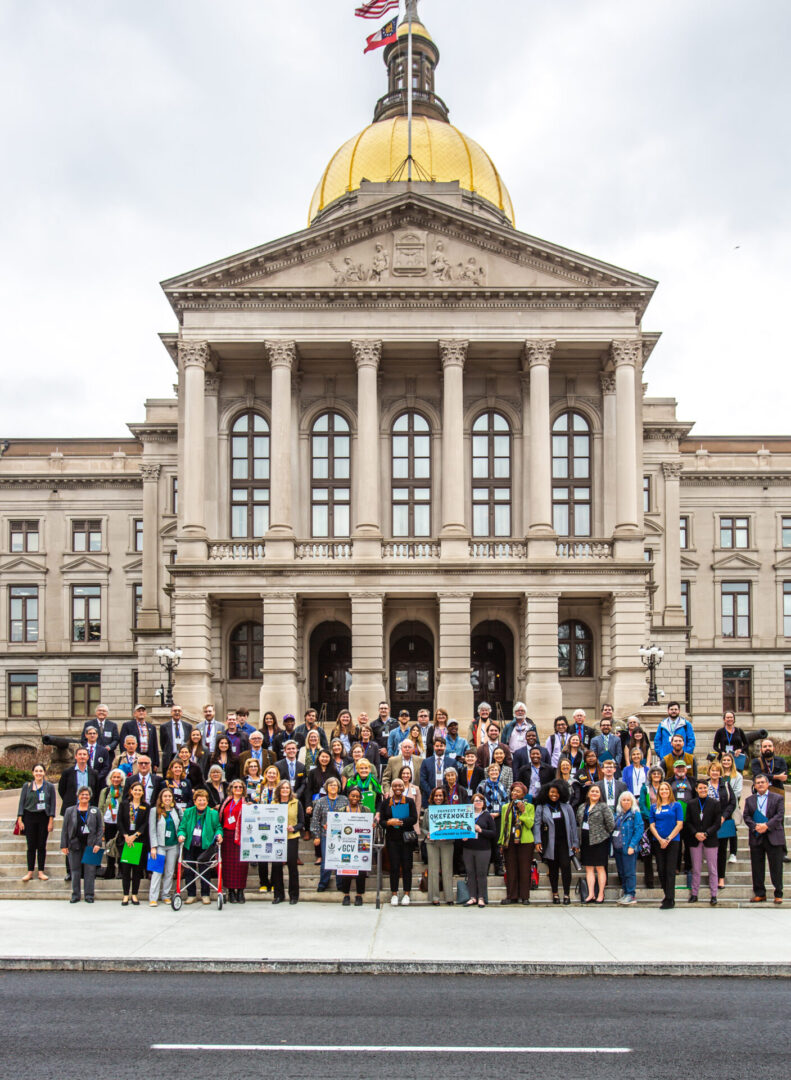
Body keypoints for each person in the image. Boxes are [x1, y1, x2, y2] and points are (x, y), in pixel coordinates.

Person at [534, 781, 578, 905]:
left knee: (566, 867)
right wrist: (537, 841)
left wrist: (575, 842)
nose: (555, 795)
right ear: (547, 793)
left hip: (565, 843)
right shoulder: (541, 807)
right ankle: (555, 894)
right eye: (552, 792)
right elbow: (537, 825)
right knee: (553, 869)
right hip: (550, 843)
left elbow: (573, 825)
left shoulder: (566, 806)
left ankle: (566, 894)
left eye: (557, 793)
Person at [177, 789, 223, 904]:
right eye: (199, 800)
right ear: (195, 801)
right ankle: (191, 894)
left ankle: (205, 894)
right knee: (189, 870)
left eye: (204, 800)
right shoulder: (188, 812)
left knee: (205, 870)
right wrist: (181, 835)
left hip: (205, 845)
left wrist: (219, 834)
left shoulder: (213, 813)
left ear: (207, 801)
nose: (202, 802)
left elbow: (218, 827)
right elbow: (182, 827)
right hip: (190, 845)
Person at [744, 773, 785, 904]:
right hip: (756, 836)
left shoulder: (778, 798)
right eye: (758, 783)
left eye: (763, 782)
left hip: (773, 836)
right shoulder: (749, 800)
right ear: (755, 786)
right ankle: (760, 893)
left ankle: (778, 893)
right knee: (757, 867)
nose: (760, 784)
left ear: (768, 784)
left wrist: (767, 826)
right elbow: (746, 816)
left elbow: (780, 815)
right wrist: (756, 826)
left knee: (776, 867)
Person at [377, 777, 417, 906]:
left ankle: (406, 893)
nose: (398, 788)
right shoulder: (386, 802)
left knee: (407, 867)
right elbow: (382, 821)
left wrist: (400, 821)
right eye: (395, 786)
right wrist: (389, 822)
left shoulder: (409, 801)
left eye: (400, 786)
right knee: (394, 867)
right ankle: (394, 894)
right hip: (392, 839)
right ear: (392, 788)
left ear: (404, 787)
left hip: (406, 839)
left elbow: (414, 819)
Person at [60, 786, 103, 904]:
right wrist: (64, 845)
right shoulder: (70, 810)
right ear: (78, 796)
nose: (84, 796)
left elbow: (100, 828)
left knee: (90, 871)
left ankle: (89, 895)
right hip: (74, 844)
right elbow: (64, 829)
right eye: (82, 794)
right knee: (75, 870)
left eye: (87, 794)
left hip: (91, 845)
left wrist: (98, 843)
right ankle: (75, 895)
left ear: (90, 797)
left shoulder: (95, 810)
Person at [16, 763, 56, 881]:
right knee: (31, 845)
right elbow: (21, 803)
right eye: (36, 771)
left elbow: (52, 804)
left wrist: (51, 820)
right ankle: (30, 872)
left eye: (41, 771)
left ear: (44, 773)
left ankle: (41, 872)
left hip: (43, 817)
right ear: (33, 773)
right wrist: (20, 819)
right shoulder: (27, 786)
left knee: (41, 845)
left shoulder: (49, 786)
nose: (39, 773)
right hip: (29, 817)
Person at [498, 782, 535, 905]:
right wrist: (501, 842)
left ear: (523, 794)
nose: (514, 793)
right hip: (510, 841)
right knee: (511, 869)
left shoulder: (529, 807)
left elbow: (530, 824)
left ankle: (525, 896)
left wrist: (523, 811)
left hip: (525, 841)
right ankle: (511, 895)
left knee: (524, 869)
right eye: (513, 791)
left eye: (518, 791)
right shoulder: (505, 807)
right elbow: (503, 825)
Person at [310, 776, 349, 891]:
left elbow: (348, 817)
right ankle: (323, 883)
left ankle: (340, 884)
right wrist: (316, 836)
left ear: (338, 787)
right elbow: (315, 819)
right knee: (326, 860)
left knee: (340, 860)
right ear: (326, 787)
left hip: (341, 835)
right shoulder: (320, 801)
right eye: (330, 785)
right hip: (325, 835)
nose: (333, 787)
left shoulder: (344, 800)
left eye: (335, 785)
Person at [686, 777, 721, 906]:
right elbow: (688, 822)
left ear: (708, 789)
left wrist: (706, 833)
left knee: (712, 868)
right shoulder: (691, 803)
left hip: (710, 839)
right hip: (695, 839)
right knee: (696, 868)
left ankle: (714, 894)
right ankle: (694, 893)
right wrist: (696, 833)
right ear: (696, 789)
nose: (702, 790)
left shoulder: (715, 803)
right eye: (700, 788)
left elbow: (717, 823)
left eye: (705, 788)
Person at [577, 785, 614, 904]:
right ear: (588, 794)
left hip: (600, 841)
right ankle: (591, 893)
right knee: (589, 868)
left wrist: (602, 833)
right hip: (586, 840)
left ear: (600, 794)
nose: (594, 793)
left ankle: (601, 893)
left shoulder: (604, 807)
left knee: (600, 867)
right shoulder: (582, 807)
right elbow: (579, 821)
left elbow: (611, 824)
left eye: (597, 791)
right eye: (592, 791)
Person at [650, 781, 684, 908]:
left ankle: (670, 898)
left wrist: (668, 839)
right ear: (659, 792)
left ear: (670, 791)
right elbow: (652, 825)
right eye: (662, 789)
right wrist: (660, 839)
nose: (664, 791)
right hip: (658, 841)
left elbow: (679, 824)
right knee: (660, 869)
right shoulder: (654, 807)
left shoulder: (676, 805)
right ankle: (666, 894)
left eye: (666, 789)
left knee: (670, 870)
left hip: (673, 841)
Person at [336, 787, 372, 906]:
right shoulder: (341, 810)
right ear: (348, 796)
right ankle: (346, 895)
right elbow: (336, 825)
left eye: (357, 796)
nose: (355, 798)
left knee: (360, 870)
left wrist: (372, 825)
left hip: (362, 842)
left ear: (360, 797)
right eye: (353, 795)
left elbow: (370, 824)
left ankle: (359, 895)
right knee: (346, 870)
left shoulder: (365, 810)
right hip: (346, 843)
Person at [271, 779, 304, 904]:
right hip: (276, 838)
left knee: (292, 866)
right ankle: (278, 895)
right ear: (279, 790)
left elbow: (301, 822)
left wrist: (294, 828)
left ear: (290, 790)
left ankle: (294, 895)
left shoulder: (296, 803)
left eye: (287, 788)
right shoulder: (273, 804)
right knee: (276, 866)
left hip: (291, 837)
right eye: (283, 788)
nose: (285, 790)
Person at [117, 781, 149, 906]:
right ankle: (125, 895)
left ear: (143, 792)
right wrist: (126, 836)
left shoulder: (145, 806)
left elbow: (145, 824)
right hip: (126, 841)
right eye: (135, 790)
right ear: (131, 791)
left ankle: (134, 894)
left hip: (138, 841)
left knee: (137, 870)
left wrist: (135, 836)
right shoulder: (124, 805)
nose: (137, 792)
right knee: (125, 870)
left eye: (140, 790)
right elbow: (119, 821)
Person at [148, 788, 181, 906]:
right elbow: (152, 829)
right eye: (165, 796)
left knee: (169, 871)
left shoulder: (176, 810)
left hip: (173, 845)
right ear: (161, 798)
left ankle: (166, 895)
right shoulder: (154, 811)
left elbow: (181, 826)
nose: (167, 798)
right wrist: (153, 846)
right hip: (160, 846)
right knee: (157, 872)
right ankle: (153, 897)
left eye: (169, 796)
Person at [462, 792, 496, 907]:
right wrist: (463, 837)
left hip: (483, 849)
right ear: (472, 803)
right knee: (470, 873)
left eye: (480, 801)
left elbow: (493, 833)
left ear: (484, 803)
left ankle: (481, 897)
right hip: (468, 848)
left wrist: (481, 831)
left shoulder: (487, 816)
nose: (478, 803)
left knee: (481, 874)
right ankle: (472, 897)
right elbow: (460, 828)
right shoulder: (466, 815)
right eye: (476, 801)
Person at [422, 787, 455, 905]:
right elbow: (423, 828)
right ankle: (434, 897)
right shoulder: (427, 811)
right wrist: (428, 834)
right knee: (433, 870)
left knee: (447, 869)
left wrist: (449, 834)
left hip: (447, 842)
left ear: (444, 797)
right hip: (432, 843)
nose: (438, 798)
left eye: (440, 795)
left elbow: (454, 827)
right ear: (432, 797)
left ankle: (449, 897)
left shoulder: (450, 811)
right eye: (436, 795)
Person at [612, 791, 644, 906]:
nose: (626, 802)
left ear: (632, 802)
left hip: (628, 847)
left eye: (628, 800)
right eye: (624, 800)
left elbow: (639, 830)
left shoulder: (635, 814)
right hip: (618, 847)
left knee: (629, 872)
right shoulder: (617, 815)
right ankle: (625, 892)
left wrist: (632, 845)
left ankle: (631, 894)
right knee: (622, 871)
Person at [219, 778, 249, 904]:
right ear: (231, 789)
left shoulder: (246, 803)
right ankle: (231, 891)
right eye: (235, 787)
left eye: (240, 787)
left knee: (241, 865)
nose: (237, 789)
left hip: (241, 837)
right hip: (227, 836)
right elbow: (220, 817)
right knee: (228, 865)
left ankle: (241, 891)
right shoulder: (226, 802)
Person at [477, 763, 509, 874]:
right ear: (488, 772)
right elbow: (478, 800)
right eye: (492, 770)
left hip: (498, 817)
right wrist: (486, 812)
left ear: (499, 772)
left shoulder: (502, 786)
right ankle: (484, 868)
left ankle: (498, 867)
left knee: (497, 842)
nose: (494, 772)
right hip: (486, 816)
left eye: (496, 770)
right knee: (485, 842)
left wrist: (499, 813)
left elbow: (505, 801)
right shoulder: (482, 785)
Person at [97, 769, 125, 881]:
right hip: (108, 822)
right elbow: (100, 807)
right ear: (110, 778)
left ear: (122, 779)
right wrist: (101, 823)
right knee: (108, 845)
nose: (116, 779)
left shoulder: (124, 791)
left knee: (120, 845)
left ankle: (122, 869)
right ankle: (110, 868)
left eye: (118, 777)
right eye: (114, 777)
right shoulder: (105, 791)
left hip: (120, 823)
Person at [719, 752, 744, 874]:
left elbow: (738, 792)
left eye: (728, 760)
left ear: (732, 762)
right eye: (724, 760)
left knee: (732, 829)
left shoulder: (737, 775)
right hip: (719, 807)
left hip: (732, 806)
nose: (726, 763)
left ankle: (733, 853)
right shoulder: (719, 775)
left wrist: (729, 799)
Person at [119, 705, 160, 772]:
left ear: (145, 713)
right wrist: (125, 758)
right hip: (134, 757)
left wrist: (156, 763)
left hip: (148, 756)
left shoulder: (151, 727)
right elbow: (122, 743)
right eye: (139, 711)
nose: (141, 712)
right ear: (134, 714)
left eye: (143, 711)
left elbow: (155, 745)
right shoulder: (127, 726)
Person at [159, 704, 193, 771]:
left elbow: (189, 742)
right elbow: (162, 743)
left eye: (179, 711)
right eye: (175, 711)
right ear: (171, 712)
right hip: (170, 757)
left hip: (184, 757)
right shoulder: (164, 726)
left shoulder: (188, 726)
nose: (177, 712)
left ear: (181, 713)